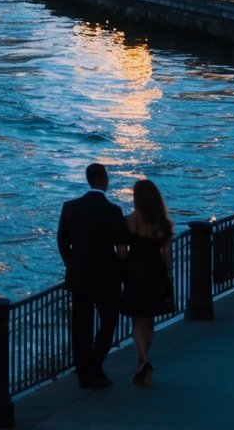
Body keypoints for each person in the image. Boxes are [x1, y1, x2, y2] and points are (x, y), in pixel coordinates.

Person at [57, 162, 127, 390]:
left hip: (79, 276)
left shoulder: (70, 207)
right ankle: (95, 365)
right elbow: (121, 249)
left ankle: (83, 372)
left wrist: (72, 264)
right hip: (107, 277)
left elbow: (62, 241)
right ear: (104, 179)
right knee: (108, 322)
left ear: (89, 179)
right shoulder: (114, 211)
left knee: (81, 326)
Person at [119, 179, 174, 388]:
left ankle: (144, 360)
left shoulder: (129, 222)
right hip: (156, 271)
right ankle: (142, 362)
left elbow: (123, 252)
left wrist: (121, 266)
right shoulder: (164, 224)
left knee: (137, 319)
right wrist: (167, 274)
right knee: (149, 320)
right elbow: (166, 253)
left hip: (135, 271)